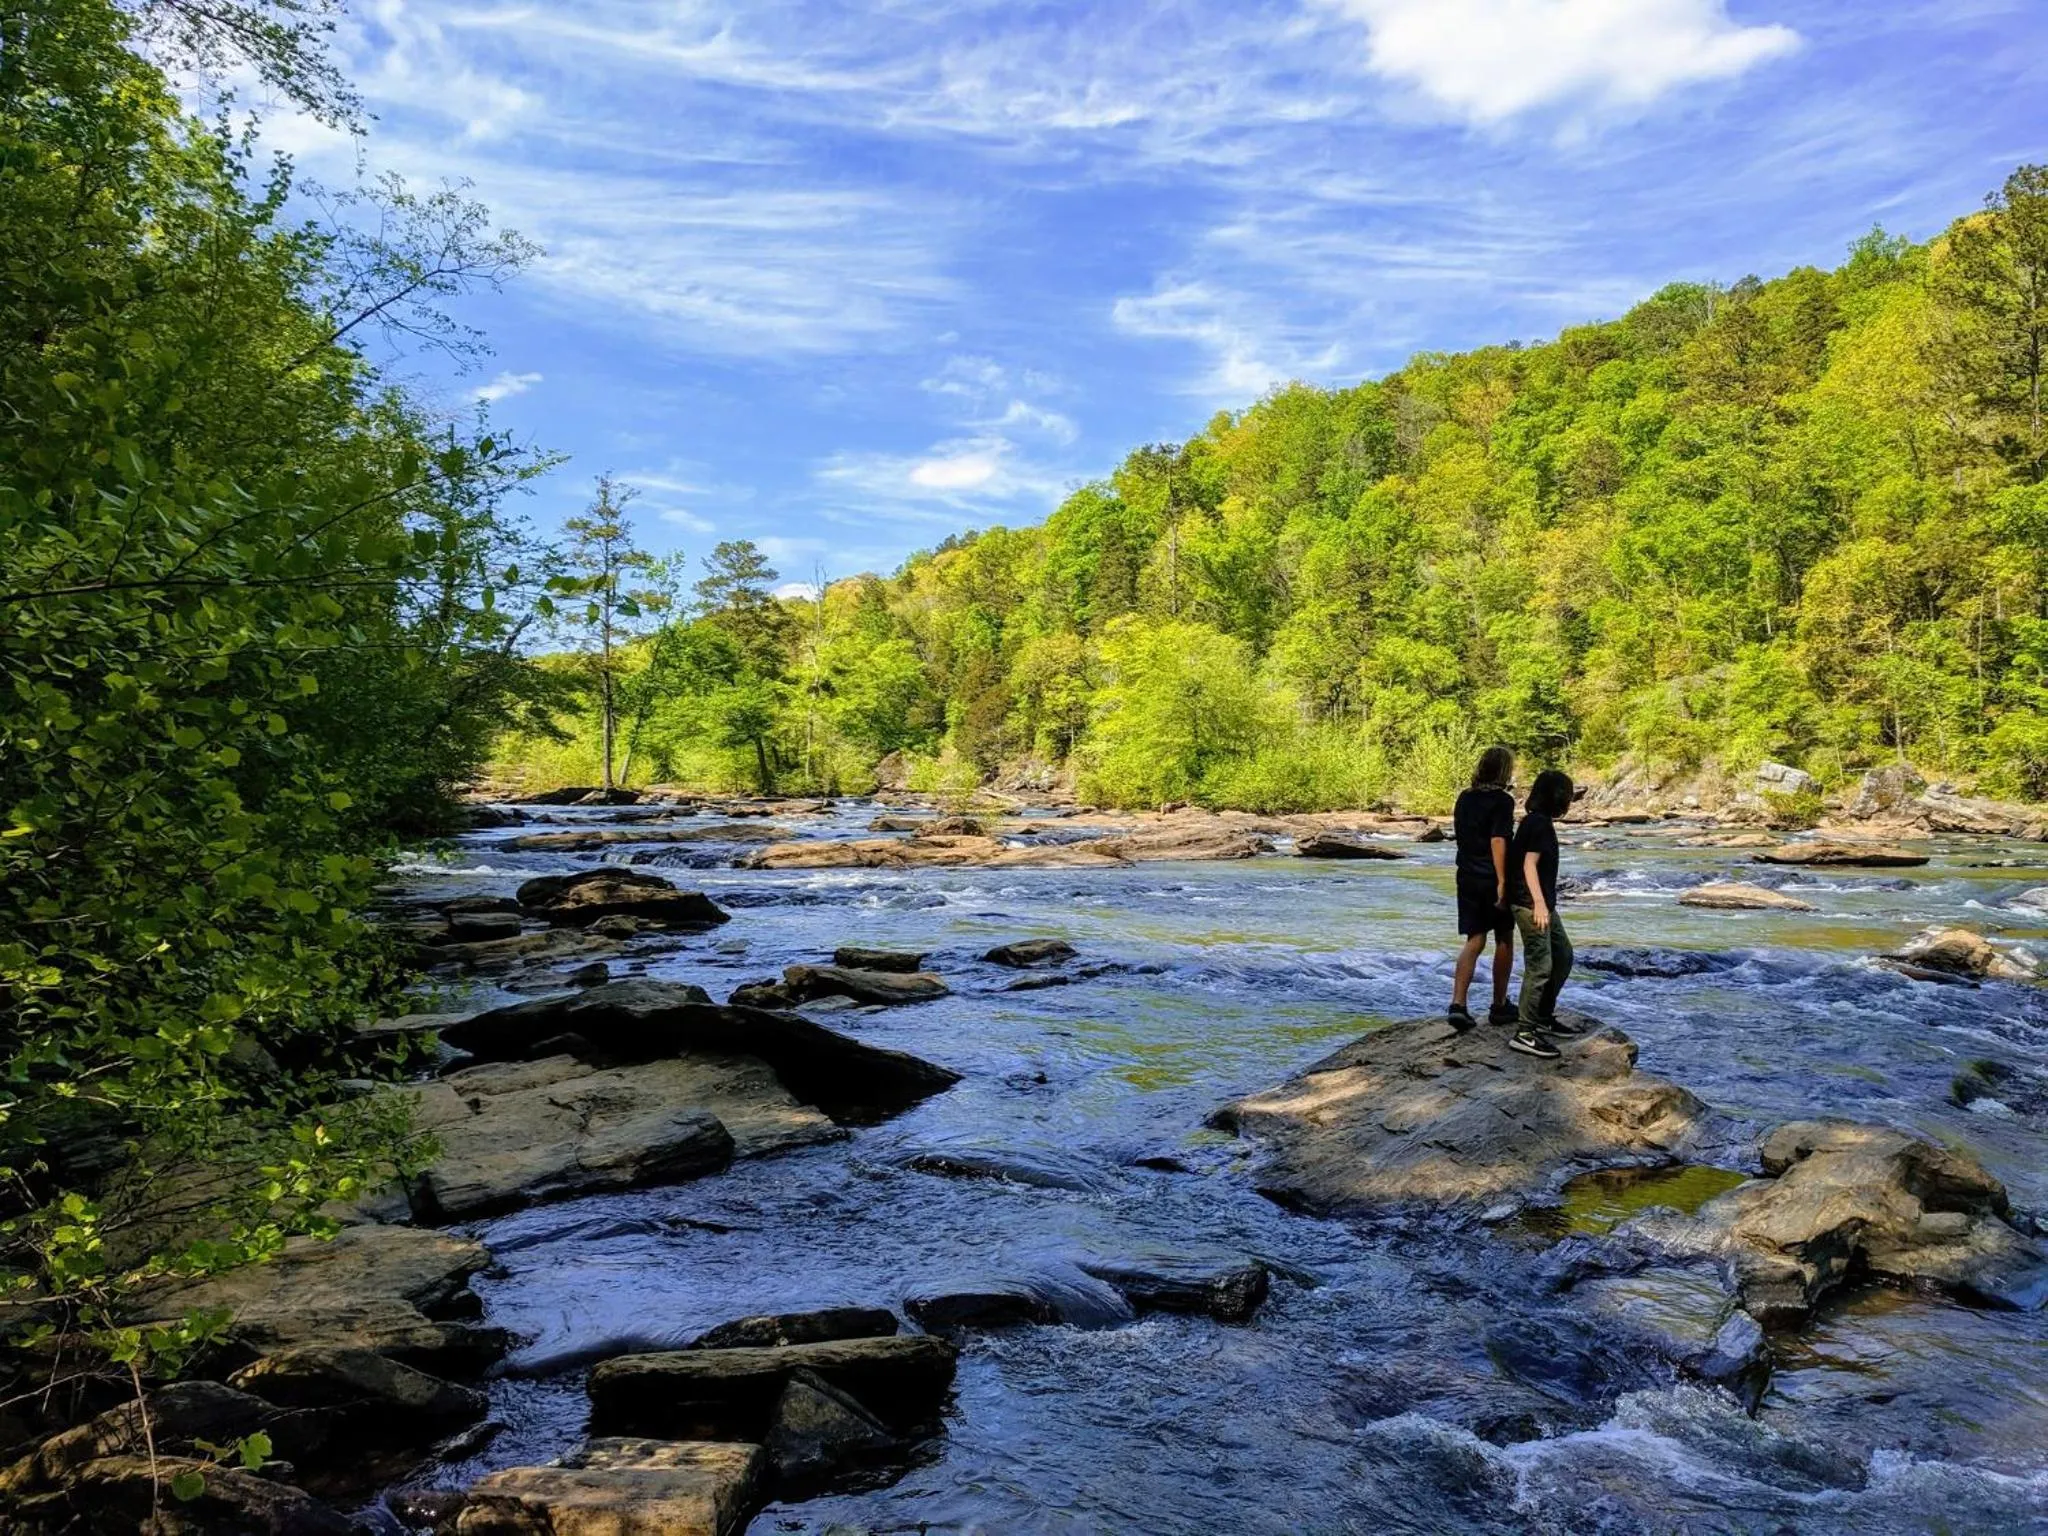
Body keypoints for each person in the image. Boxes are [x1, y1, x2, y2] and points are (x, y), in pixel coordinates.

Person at [1507, 769, 1583, 1061]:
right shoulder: (1537, 824)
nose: (1569, 801)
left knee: (1563, 956)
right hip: (1530, 904)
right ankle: (1525, 1033)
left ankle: (1542, 1016)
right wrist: (1539, 903)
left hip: (1543, 904)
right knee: (1541, 965)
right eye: (1567, 795)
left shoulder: (1540, 822)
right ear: (1556, 797)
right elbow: (1528, 866)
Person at [1447, 746, 1517, 1031]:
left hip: (1466, 875)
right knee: (1504, 938)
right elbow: (1498, 840)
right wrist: (1503, 881)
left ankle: (1458, 1004)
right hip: (1492, 877)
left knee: (1475, 939)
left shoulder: (1464, 798)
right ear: (1503, 771)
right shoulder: (1502, 801)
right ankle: (1499, 1005)